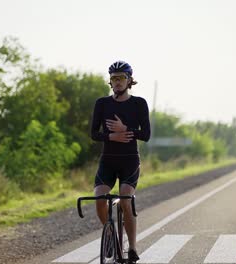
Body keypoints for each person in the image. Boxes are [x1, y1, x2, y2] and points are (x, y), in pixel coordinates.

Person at [90, 60, 151, 263]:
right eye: (114, 78)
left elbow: (146, 135)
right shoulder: (102, 103)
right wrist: (110, 137)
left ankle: (132, 248)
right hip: (108, 160)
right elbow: (93, 134)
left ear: (129, 80)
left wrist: (125, 130)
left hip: (129, 162)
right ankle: (110, 236)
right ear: (110, 81)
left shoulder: (139, 103)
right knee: (99, 198)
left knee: (126, 199)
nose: (117, 82)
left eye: (121, 78)